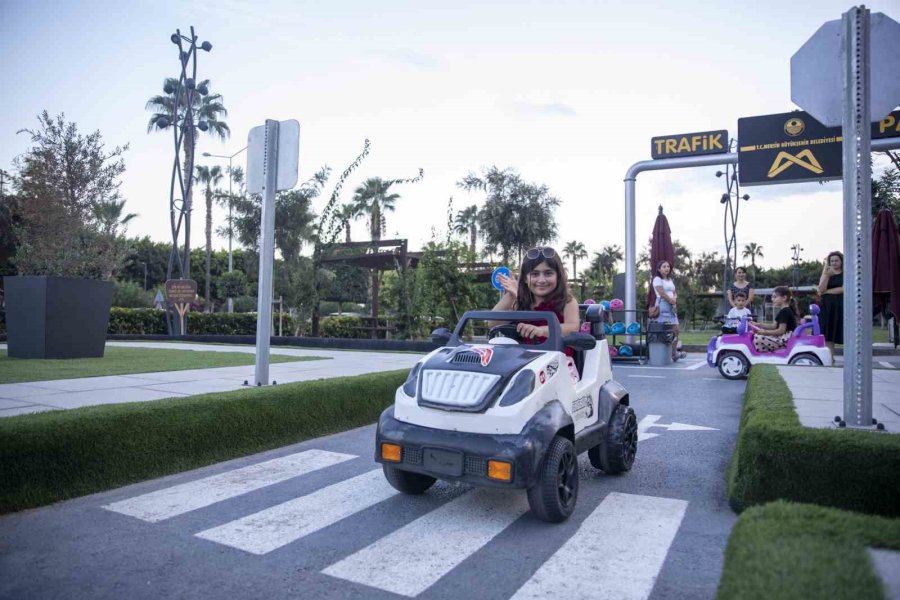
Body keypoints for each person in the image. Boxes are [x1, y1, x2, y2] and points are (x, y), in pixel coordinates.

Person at [494, 246, 580, 381]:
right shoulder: (518, 301)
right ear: (524, 279)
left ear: (558, 275)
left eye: (548, 273)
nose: (541, 280)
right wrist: (511, 295)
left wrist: (541, 330)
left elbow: (572, 327)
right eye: (534, 274)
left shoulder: (567, 301)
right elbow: (493, 323)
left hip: (558, 365)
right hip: (523, 364)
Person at [652, 260, 685, 360]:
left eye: (668, 266)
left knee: (676, 330)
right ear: (659, 269)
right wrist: (671, 301)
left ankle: (673, 353)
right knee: (664, 329)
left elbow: (674, 292)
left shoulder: (670, 280)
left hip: (672, 305)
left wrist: (675, 300)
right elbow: (661, 292)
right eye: (664, 266)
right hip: (663, 305)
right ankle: (660, 353)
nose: (667, 268)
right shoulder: (657, 279)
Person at [750, 286, 798, 352]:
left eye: (775, 297)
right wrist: (758, 325)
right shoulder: (783, 310)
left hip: (785, 340)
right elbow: (773, 326)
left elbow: (781, 331)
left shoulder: (785, 311)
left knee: (757, 338)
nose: (772, 299)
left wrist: (765, 332)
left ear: (784, 298)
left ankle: (772, 353)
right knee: (757, 335)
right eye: (772, 297)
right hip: (783, 337)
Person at [817, 251, 843, 363]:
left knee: (840, 330)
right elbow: (820, 290)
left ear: (841, 261)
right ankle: (830, 358)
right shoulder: (826, 273)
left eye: (836, 260)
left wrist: (827, 291)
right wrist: (827, 275)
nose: (834, 263)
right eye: (831, 261)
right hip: (827, 307)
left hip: (841, 305)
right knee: (828, 332)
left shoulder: (846, 272)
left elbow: (843, 289)